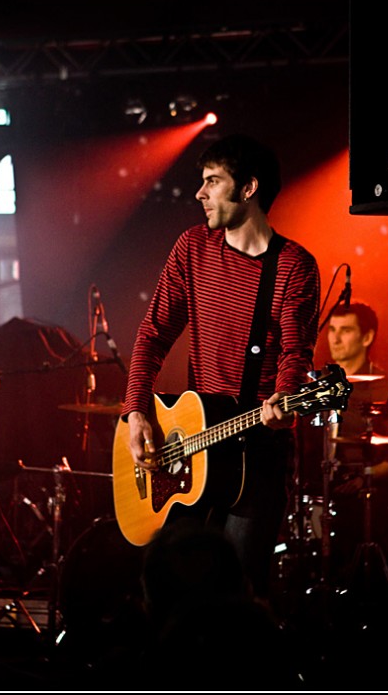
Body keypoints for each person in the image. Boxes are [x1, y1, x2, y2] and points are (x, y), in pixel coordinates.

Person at [120, 133, 321, 603]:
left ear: (248, 188)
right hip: (192, 448)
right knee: (170, 596)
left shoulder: (294, 266)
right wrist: (136, 413)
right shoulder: (192, 248)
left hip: (258, 455)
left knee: (238, 599)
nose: (200, 193)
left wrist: (285, 397)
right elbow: (151, 336)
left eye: (213, 181)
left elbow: (296, 352)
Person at [325, 301, 388, 588]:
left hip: (367, 502)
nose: (334, 338)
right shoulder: (316, 387)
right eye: (331, 330)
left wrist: (363, 478)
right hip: (319, 495)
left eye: (345, 330)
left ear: (367, 337)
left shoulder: (387, 388)